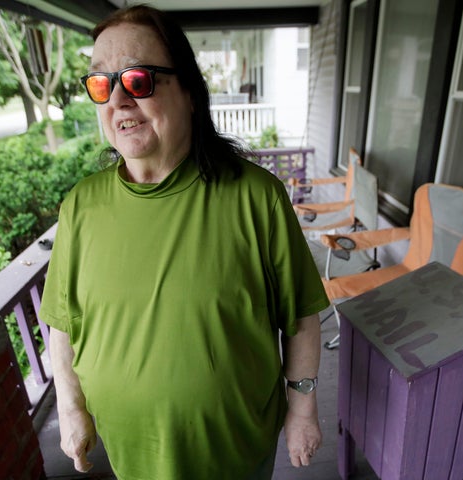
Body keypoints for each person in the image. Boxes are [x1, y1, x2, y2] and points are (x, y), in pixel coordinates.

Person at [39, 5, 330, 480]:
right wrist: (71, 409)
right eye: (101, 84)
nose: (118, 100)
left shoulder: (257, 196)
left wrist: (302, 410)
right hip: (130, 453)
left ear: (191, 92)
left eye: (138, 80)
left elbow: (300, 316)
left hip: (236, 453)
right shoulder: (81, 207)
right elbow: (61, 325)